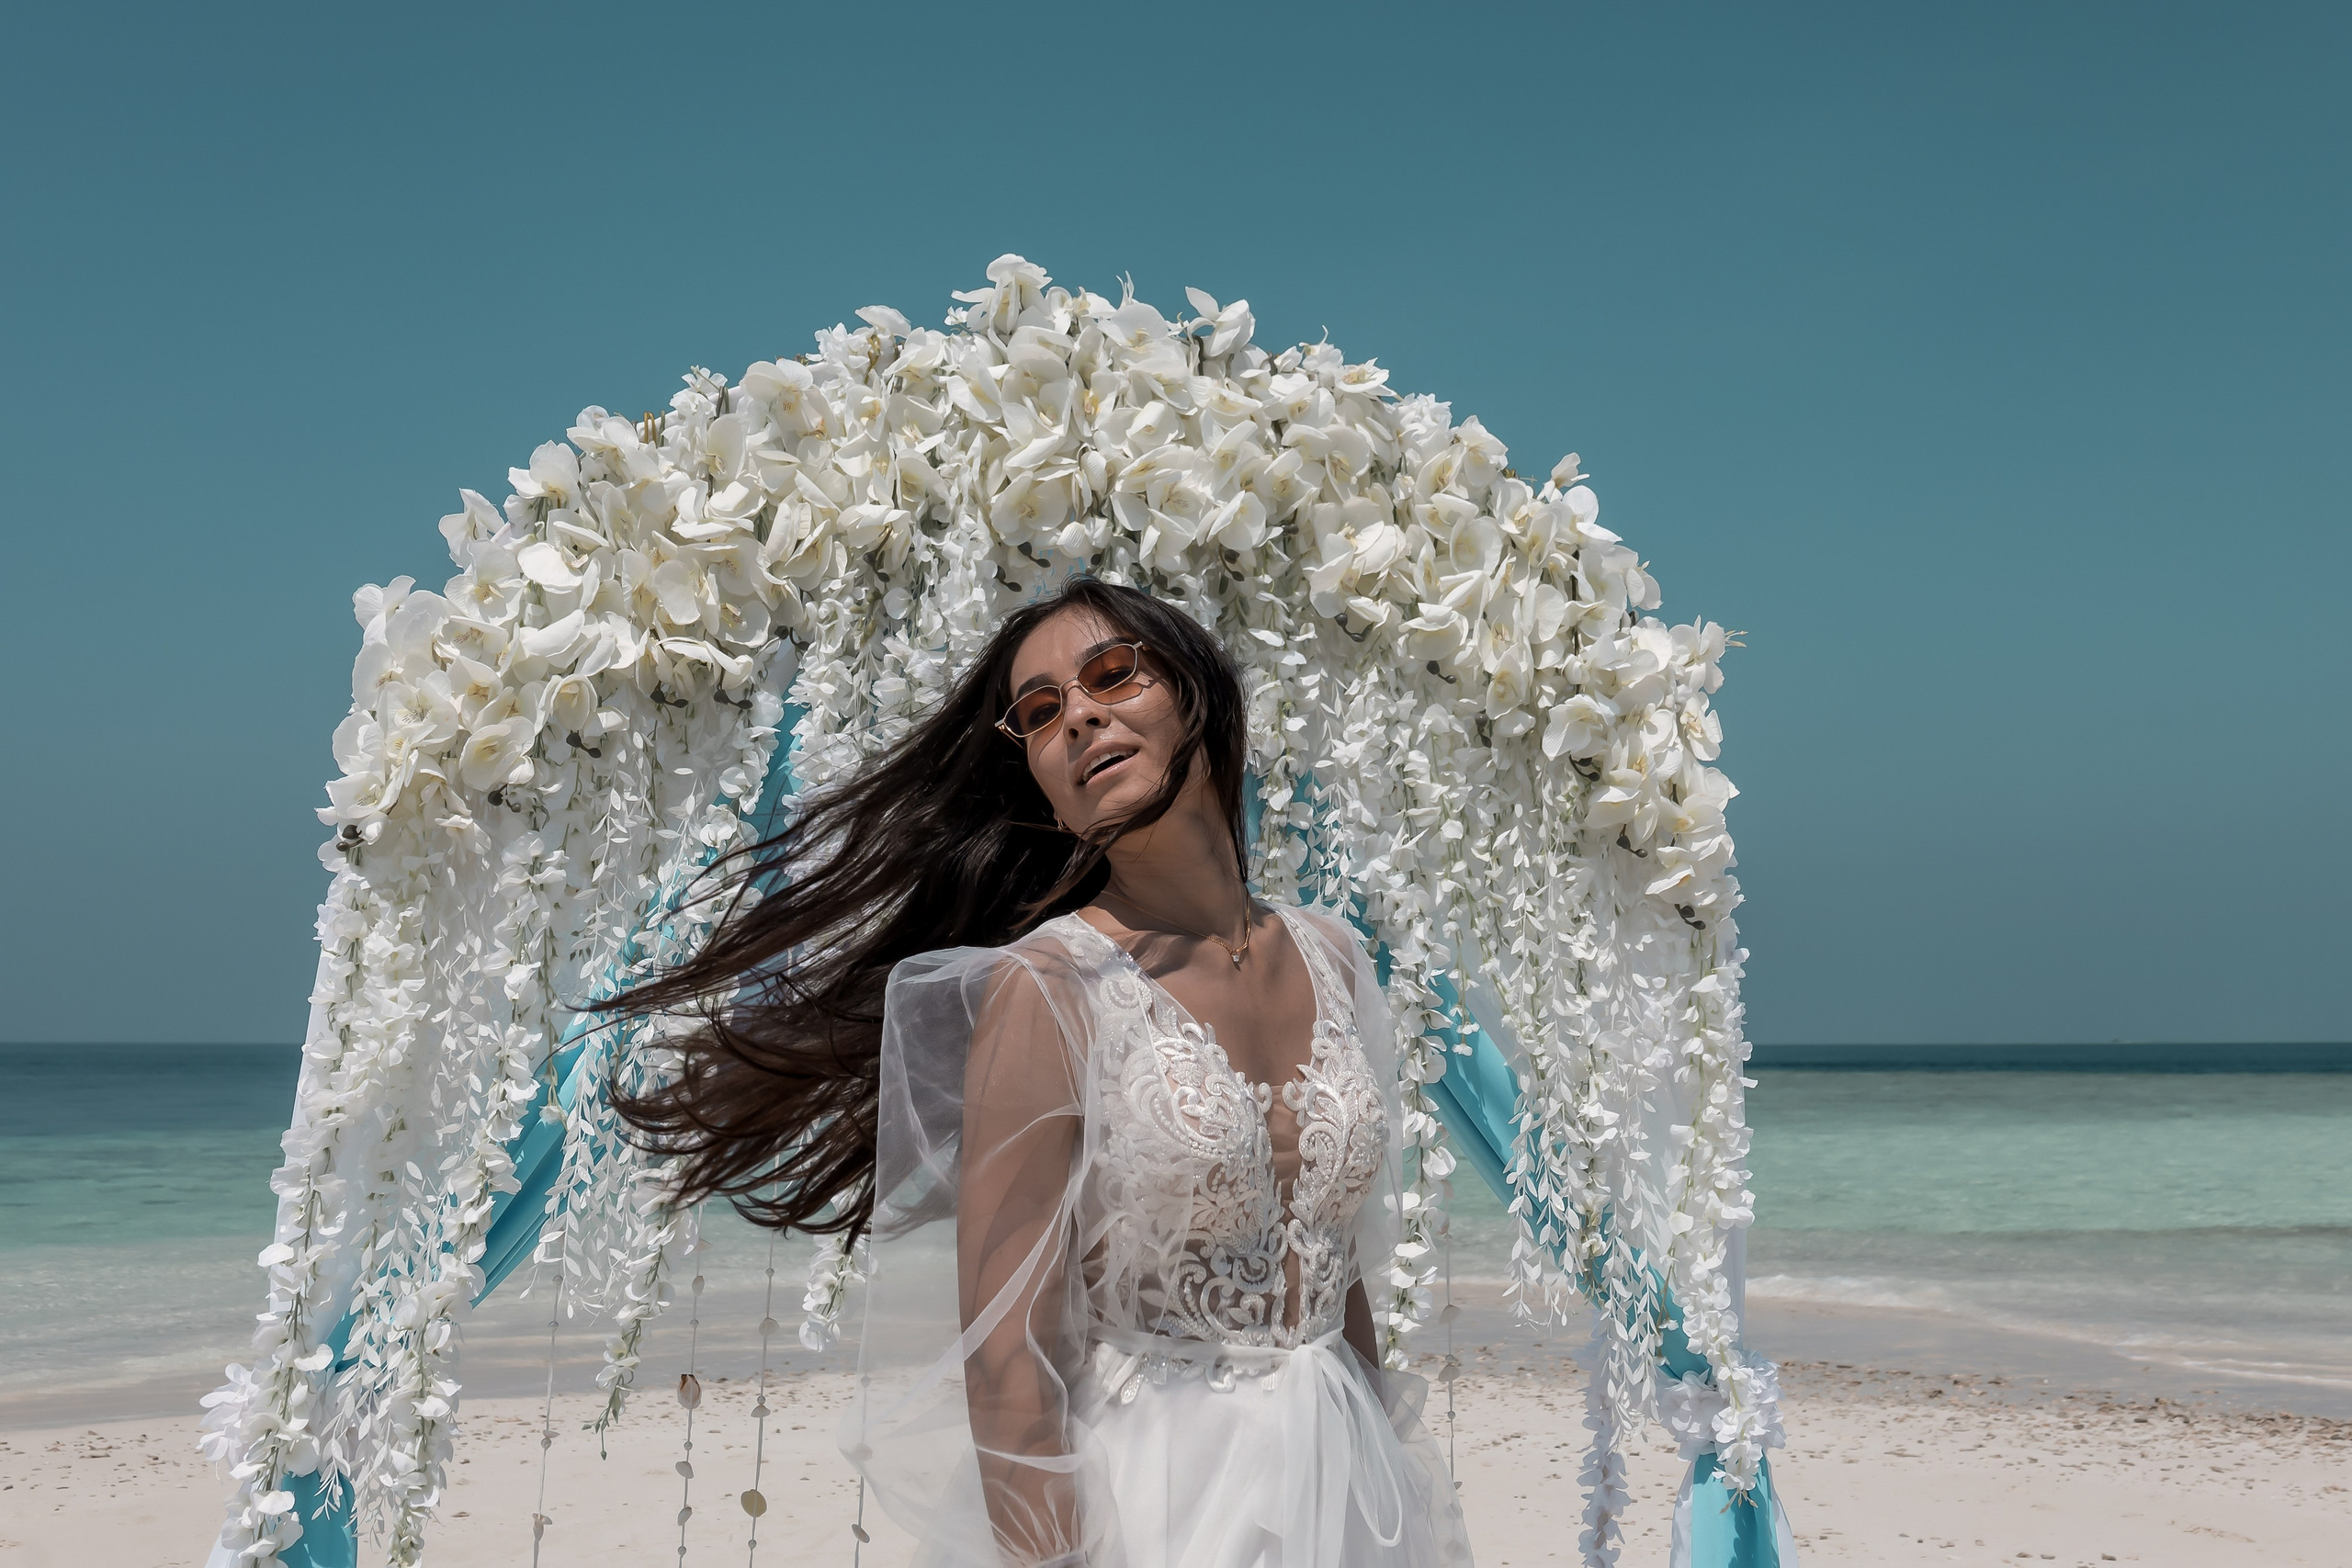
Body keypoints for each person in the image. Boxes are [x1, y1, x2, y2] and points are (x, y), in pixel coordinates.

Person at [612, 578, 1472, 1568]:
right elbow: (1006, 1359)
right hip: (1164, 1500)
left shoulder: (1335, 955)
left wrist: (1385, 1469)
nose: (1080, 715)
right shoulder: (1049, 989)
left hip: (1350, 1482)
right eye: (1040, 710)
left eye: (1113, 673)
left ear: (1199, 693)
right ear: (1045, 790)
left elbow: (1333, 1264)